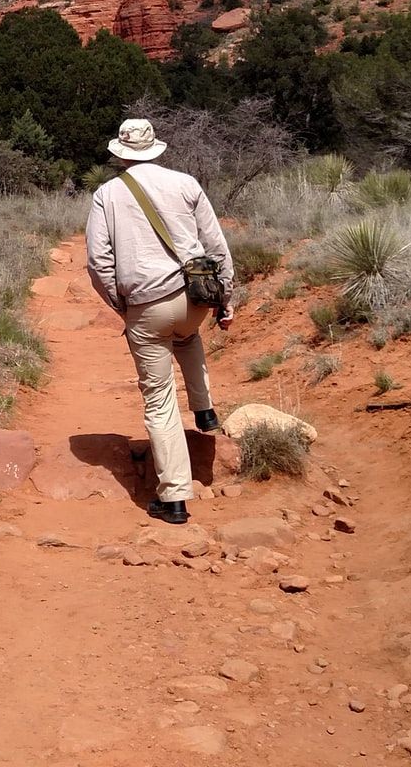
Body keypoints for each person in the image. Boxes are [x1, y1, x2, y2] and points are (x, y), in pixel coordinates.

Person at [84, 118, 235, 524]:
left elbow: (98, 262)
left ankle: (174, 498)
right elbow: (216, 245)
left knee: (158, 399)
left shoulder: (106, 194)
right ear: (155, 148)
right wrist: (226, 296)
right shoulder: (186, 183)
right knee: (186, 337)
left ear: (120, 152)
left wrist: (121, 305)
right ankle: (205, 411)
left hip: (147, 306)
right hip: (195, 298)